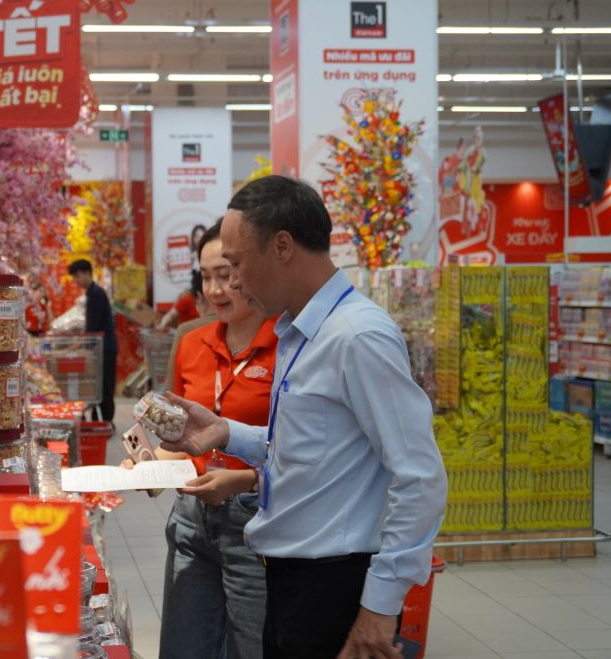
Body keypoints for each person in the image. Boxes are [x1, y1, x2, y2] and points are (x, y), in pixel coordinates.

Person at [163, 175, 447, 659]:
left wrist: (379, 604)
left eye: (236, 263)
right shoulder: (300, 333)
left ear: (282, 246)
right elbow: (311, 449)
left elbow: (420, 476)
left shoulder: (357, 336)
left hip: (334, 584)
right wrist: (226, 432)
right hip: (292, 580)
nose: (231, 282)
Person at [158, 220, 277, 659]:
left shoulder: (288, 344)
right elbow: (174, 431)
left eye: (225, 275)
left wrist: (243, 481)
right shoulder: (190, 340)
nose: (214, 290)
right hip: (191, 517)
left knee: (253, 645)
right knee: (183, 646)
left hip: (257, 517)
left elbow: (302, 449)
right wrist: (147, 463)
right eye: (205, 277)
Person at [68, 259, 117, 423]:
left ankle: (105, 422)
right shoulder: (94, 292)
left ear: (87, 273)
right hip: (102, 347)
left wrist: (76, 345)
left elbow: (92, 328)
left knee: (104, 387)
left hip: (105, 348)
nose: (76, 281)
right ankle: (101, 420)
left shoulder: (95, 294)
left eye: (77, 276)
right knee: (101, 387)